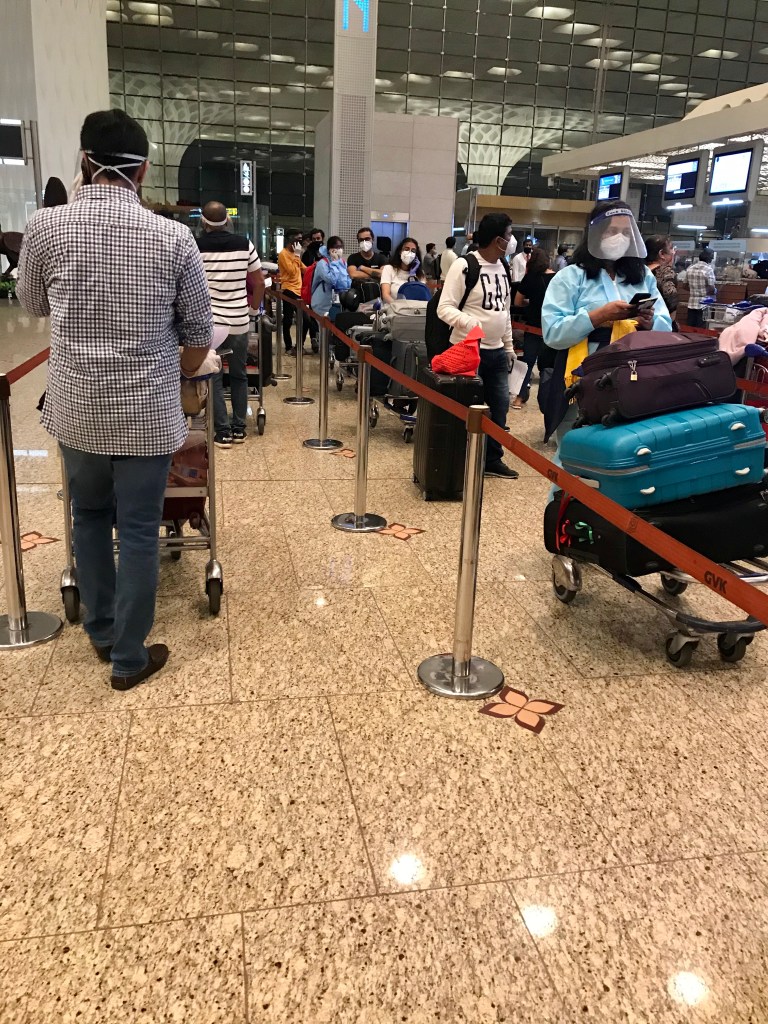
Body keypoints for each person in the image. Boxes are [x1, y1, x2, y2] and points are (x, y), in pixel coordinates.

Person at [17, 108, 213, 690]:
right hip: (146, 414)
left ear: (84, 162)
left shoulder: (45, 227)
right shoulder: (174, 237)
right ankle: (129, 658)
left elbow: (32, 304)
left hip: (77, 409)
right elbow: (199, 336)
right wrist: (178, 371)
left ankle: (102, 633)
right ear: (143, 171)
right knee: (139, 529)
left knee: (89, 517)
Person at [541, 200, 672, 451]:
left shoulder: (642, 276)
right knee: (576, 449)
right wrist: (598, 316)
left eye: (625, 232)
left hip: (634, 374)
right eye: (612, 231)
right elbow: (553, 333)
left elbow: (665, 325)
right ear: (596, 233)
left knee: (627, 446)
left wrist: (649, 322)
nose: (619, 238)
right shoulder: (571, 277)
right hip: (583, 376)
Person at [438, 212, 519, 479]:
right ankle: (459, 459)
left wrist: (508, 346)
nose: (512, 240)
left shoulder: (504, 267)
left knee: (500, 408)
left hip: (496, 352)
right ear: (498, 240)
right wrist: (470, 323)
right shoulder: (465, 265)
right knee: (466, 408)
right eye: (509, 235)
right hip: (467, 350)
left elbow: (505, 311)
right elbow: (444, 308)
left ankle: (491, 459)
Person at [197, 200, 264, 449]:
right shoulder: (244, 244)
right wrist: (253, 310)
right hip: (238, 321)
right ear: (227, 220)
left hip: (211, 322)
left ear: (203, 221)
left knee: (213, 376)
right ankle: (239, 427)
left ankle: (222, 432)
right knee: (239, 374)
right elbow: (259, 283)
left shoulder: (195, 245)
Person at [511, 246, 555, 410]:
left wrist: (530, 303)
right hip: (553, 327)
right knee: (550, 366)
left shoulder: (529, 278)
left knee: (528, 363)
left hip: (533, 327)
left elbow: (517, 302)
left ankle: (519, 398)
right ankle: (550, 399)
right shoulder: (558, 277)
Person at [310, 235, 351, 322]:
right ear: (330, 249)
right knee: (324, 328)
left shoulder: (343, 262)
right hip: (322, 304)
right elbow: (332, 280)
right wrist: (335, 262)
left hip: (338, 303)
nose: (339, 249)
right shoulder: (322, 263)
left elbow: (345, 283)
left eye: (341, 247)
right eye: (336, 247)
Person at [277, 229, 304, 355]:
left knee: (306, 320)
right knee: (288, 319)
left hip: (299, 290)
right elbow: (292, 271)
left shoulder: (295, 254)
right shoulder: (283, 254)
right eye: (297, 240)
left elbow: (303, 268)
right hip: (288, 289)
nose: (299, 243)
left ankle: (299, 345)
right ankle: (288, 347)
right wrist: (297, 256)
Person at [644, 235, 679, 326]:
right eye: (671, 248)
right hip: (660, 324)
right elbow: (671, 296)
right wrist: (670, 323)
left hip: (642, 322)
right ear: (661, 254)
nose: (674, 252)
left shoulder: (641, 271)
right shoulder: (665, 271)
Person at [381, 237, 425, 302]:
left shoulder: (420, 274)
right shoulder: (389, 269)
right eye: (406, 249)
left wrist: (412, 276)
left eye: (413, 251)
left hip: (414, 307)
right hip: (392, 306)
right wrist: (398, 306)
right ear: (400, 252)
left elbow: (419, 295)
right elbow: (385, 295)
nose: (409, 253)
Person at [347, 226, 387, 291]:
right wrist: (375, 275)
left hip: (377, 292)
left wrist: (363, 268)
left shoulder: (381, 258)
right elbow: (353, 275)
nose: (364, 242)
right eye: (361, 240)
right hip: (358, 293)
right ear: (358, 242)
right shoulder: (353, 257)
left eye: (367, 239)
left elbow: (383, 274)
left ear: (373, 240)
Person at [685, 249, 716, 328]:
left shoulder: (690, 268)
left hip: (691, 304)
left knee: (690, 328)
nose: (712, 259)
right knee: (701, 328)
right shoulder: (709, 270)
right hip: (704, 304)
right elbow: (711, 288)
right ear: (708, 258)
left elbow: (684, 285)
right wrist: (714, 291)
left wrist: (694, 290)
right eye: (712, 257)